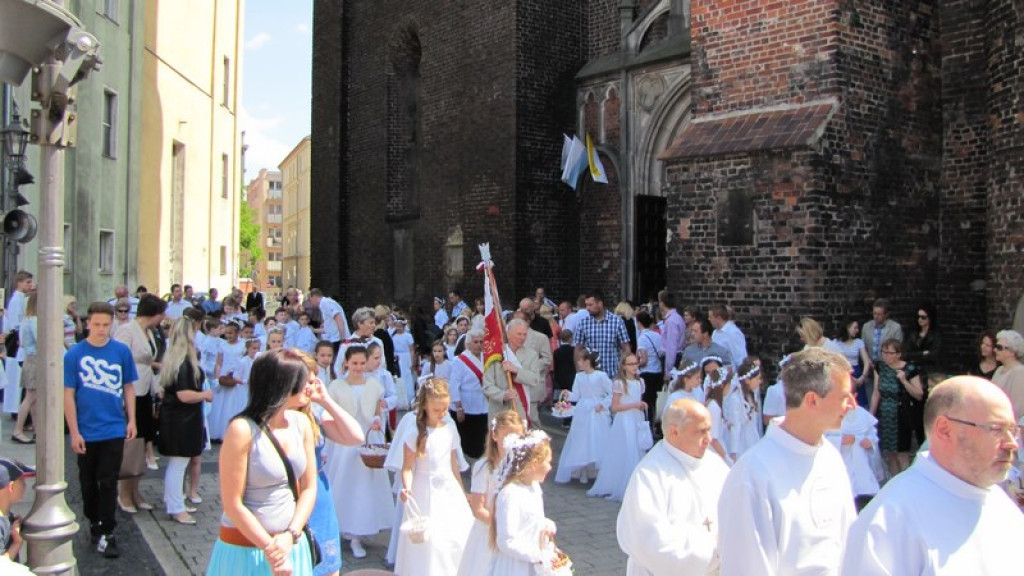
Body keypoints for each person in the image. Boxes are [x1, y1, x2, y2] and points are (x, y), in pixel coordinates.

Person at [841, 376, 1024, 574]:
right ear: (945, 430)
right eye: (996, 429)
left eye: (1013, 430)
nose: (1012, 443)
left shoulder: (1001, 503)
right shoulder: (890, 519)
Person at [718, 347, 856, 576]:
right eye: (844, 397)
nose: (852, 405)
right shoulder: (753, 474)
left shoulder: (831, 457)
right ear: (812, 400)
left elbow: (849, 543)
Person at [205, 348, 317, 576]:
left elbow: (309, 487)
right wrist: (272, 549)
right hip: (246, 550)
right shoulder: (242, 430)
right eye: (303, 381)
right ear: (283, 385)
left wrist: (291, 535)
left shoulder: (301, 423)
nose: (309, 387)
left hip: (290, 545)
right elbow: (233, 503)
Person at [617, 398, 730, 576]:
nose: (708, 439)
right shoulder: (650, 476)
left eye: (709, 430)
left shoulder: (716, 465)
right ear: (674, 432)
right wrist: (716, 554)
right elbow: (650, 543)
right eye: (701, 432)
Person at [63, 302, 138, 558]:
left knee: (108, 481)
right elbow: (68, 393)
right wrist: (74, 431)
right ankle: (93, 520)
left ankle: (107, 530)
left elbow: (128, 386)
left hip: (113, 427)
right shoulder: (74, 354)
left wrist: (131, 419)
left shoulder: (121, 351)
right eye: (97, 324)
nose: (101, 329)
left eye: (106, 325)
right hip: (86, 428)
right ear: (88, 324)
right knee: (87, 482)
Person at [295, 352, 365, 576]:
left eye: (313, 381)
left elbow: (355, 436)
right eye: (306, 382)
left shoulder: (315, 412)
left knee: (327, 566)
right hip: (289, 495)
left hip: (318, 493)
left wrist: (325, 400)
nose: (310, 387)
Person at [395, 379, 473, 575]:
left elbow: (453, 464)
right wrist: (407, 488)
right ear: (425, 406)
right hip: (424, 488)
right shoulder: (415, 432)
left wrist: (462, 490)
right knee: (431, 539)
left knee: (454, 535)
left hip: (448, 487)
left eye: (445, 408)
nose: (442, 413)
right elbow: (407, 467)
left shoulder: (450, 428)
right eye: (436, 409)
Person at [323, 346, 393, 558]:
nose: (358, 367)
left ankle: (357, 534)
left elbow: (377, 411)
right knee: (343, 485)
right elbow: (329, 415)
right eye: (354, 363)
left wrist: (377, 420)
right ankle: (340, 527)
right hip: (343, 443)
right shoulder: (336, 386)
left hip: (367, 441)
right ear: (346, 363)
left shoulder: (373, 385)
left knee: (363, 488)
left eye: (362, 363)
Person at [114, 293, 167, 513]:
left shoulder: (149, 332)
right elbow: (118, 360)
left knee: (142, 441)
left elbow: (147, 362)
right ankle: (124, 493)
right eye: (161, 314)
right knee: (131, 445)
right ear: (154, 314)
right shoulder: (127, 330)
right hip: (130, 392)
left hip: (144, 390)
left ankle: (135, 490)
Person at [157, 317, 213, 525]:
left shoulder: (174, 358)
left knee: (178, 464)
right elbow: (184, 395)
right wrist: (205, 394)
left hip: (179, 418)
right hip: (182, 419)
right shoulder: (184, 363)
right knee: (178, 464)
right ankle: (175, 507)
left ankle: (175, 501)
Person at [457, 411, 524, 576]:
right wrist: (499, 525)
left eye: (517, 437)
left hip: (515, 532)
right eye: (507, 436)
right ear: (495, 436)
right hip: (490, 531)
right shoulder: (484, 467)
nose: (512, 442)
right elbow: (478, 508)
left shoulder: (522, 467)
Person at [489, 430, 558, 576]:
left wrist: (546, 524)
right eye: (548, 462)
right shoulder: (510, 494)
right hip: (516, 566)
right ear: (533, 464)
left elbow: (531, 519)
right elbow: (506, 541)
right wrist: (538, 556)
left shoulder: (534, 486)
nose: (550, 467)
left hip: (535, 563)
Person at [588, 353, 647, 501]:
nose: (634, 367)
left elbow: (638, 399)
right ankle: (620, 483)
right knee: (627, 450)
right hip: (624, 420)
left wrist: (641, 405)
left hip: (637, 418)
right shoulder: (620, 383)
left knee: (637, 447)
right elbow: (615, 407)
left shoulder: (640, 382)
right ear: (624, 366)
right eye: (630, 364)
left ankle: (635, 484)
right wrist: (634, 405)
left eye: (636, 363)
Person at [554, 347, 612, 484]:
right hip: (583, 410)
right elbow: (577, 395)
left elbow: (611, 392)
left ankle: (597, 470)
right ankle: (583, 470)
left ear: (587, 361)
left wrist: (603, 404)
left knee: (596, 438)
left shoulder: (600, 376)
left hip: (596, 410)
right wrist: (568, 395)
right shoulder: (579, 376)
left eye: (580, 360)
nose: (578, 363)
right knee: (581, 439)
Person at [870, 339, 925, 475]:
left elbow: (919, 394)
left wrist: (904, 381)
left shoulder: (909, 369)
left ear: (898, 354)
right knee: (890, 454)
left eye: (890, 353)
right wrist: (870, 417)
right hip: (885, 414)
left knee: (902, 453)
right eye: (884, 353)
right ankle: (893, 480)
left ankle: (905, 481)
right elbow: (876, 392)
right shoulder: (879, 367)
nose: (886, 356)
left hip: (901, 414)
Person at [482, 319, 543, 426]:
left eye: (524, 334)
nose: (522, 337)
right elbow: (487, 385)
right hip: (499, 410)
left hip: (521, 409)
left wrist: (517, 370)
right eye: (519, 334)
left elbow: (535, 379)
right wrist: (503, 395)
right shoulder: (496, 354)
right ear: (508, 334)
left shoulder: (531, 355)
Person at [824, 403, 884, 510]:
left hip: (863, 471)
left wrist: (870, 442)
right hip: (841, 468)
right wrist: (839, 441)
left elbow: (873, 436)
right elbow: (821, 440)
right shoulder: (828, 414)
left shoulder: (862, 414)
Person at [449, 329, 490, 458]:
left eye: (481, 342)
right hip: (467, 405)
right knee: (468, 438)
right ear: (468, 344)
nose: (479, 345)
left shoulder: (486, 358)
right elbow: (454, 385)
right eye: (476, 342)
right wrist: (458, 407)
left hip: (483, 403)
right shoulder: (459, 361)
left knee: (482, 436)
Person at [573, 291, 631, 378]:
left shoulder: (617, 322)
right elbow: (578, 349)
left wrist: (623, 371)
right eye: (586, 305)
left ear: (600, 304)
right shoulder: (583, 323)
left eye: (590, 305)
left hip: (612, 375)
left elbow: (626, 348)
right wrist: (579, 373)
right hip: (591, 376)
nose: (587, 308)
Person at [724, 357, 763, 462]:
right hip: (741, 442)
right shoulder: (735, 399)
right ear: (747, 380)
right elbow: (735, 426)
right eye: (757, 379)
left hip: (752, 438)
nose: (760, 382)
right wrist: (734, 452)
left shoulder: (751, 395)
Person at [11, 294, 38, 444]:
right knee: (30, 397)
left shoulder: (26, 320)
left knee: (33, 397)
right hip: (35, 359)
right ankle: (18, 430)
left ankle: (37, 430)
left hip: (29, 357)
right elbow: (40, 340)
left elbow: (21, 342)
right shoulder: (34, 321)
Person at [832, 318, 873, 408]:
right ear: (847, 327)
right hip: (843, 373)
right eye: (855, 328)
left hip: (857, 374)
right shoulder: (836, 343)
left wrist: (862, 377)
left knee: (860, 403)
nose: (857, 330)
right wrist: (849, 376)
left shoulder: (859, 342)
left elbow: (866, 361)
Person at [0, 458, 34, 561]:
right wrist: (17, 543)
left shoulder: (7, 515)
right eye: (22, 481)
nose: (25, 485)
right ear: (11, 486)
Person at [635, 311, 663, 425]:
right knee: (654, 400)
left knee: (646, 401)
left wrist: (634, 365)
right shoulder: (657, 335)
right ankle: (654, 422)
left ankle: (648, 423)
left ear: (639, 323)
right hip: (658, 371)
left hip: (647, 373)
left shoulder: (642, 338)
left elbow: (644, 359)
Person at [992, 329, 1024, 420]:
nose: (995, 350)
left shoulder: (1020, 372)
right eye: (996, 346)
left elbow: (1017, 407)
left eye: (999, 347)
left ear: (1012, 351)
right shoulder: (999, 369)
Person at [308, 289, 350, 354]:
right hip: (334, 340)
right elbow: (328, 329)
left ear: (314, 297)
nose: (310, 303)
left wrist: (343, 339)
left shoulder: (325, 303)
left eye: (310, 300)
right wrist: (314, 330)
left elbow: (339, 319)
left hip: (337, 340)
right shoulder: (324, 305)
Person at [862, 298, 903, 365]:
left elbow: (897, 350)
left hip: (888, 365)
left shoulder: (895, 328)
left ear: (886, 315)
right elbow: (863, 348)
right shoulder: (866, 326)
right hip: (870, 364)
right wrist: (868, 362)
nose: (876, 316)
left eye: (879, 314)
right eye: (874, 313)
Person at [657, 290, 686, 384]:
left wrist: (668, 371)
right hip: (676, 357)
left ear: (662, 303)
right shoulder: (677, 318)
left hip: (672, 360)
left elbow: (671, 347)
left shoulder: (671, 321)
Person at [708, 305, 747, 371]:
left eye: (711, 317)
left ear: (719, 318)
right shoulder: (715, 332)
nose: (709, 319)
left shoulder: (733, 333)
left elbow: (741, 358)